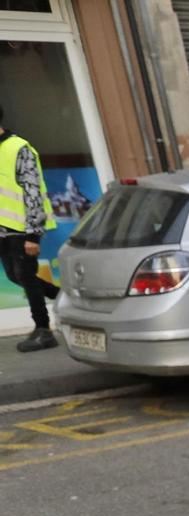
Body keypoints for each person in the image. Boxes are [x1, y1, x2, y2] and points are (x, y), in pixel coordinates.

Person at [0, 106, 60, 353]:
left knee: (26, 276)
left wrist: (33, 234)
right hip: (3, 229)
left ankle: (44, 330)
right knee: (16, 276)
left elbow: (32, 192)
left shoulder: (19, 148)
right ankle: (62, 296)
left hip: (22, 230)